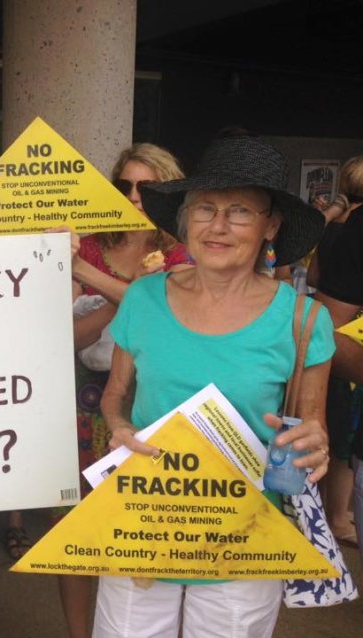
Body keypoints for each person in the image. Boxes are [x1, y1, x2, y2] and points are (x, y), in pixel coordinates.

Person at [95, 135, 333, 637]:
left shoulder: (302, 320)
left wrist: (315, 448)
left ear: (271, 225)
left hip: (243, 536)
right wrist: (117, 426)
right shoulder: (143, 298)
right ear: (186, 218)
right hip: (144, 524)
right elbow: (115, 396)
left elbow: (314, 429)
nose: (217, 226)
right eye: (205, 208)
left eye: (240, 211)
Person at [58, 143, 192, 638]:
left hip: (150, 402)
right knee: (74, 528)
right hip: (80, 400)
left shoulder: (181, 250)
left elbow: (174, 320)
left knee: (140, 525)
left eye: (148, 187)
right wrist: (128, 301)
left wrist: (91, 280)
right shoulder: (89, 243)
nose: (134, 196)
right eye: (124, 185)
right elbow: (63, 338)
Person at [314, 165, 363, 559]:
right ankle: (339, 518)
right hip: (350, 347)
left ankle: (336, 516)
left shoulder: (338, 229)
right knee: (343, 436)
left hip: (325, 336)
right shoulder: (356, 230)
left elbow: (313, 275)